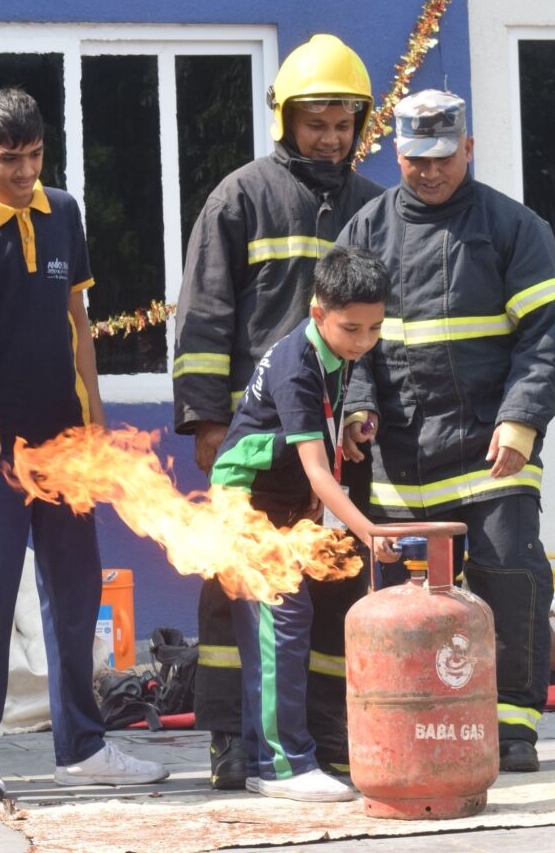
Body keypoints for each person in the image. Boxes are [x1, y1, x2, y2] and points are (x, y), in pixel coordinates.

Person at [339, 89, 555, 773]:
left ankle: (511, 730)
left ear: (467, 149)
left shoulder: (514, 227)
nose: (432, 172)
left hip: (490, 455)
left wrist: (522, 420)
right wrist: (357, 406)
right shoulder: (365, 231)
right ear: (398, 154)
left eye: (444, 157)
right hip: (397, 463)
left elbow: (548, 333)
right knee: (393, 601)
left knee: (511, 577)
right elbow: (343, 340)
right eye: (417, 160)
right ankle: (405, 726)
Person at [173, 34, 385, 788]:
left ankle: (321, 734)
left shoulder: (371, 205)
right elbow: (202, 315)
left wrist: (359, 413)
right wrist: (205, 419)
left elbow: (368, 332)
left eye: (342, 123)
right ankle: (234, 738)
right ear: (286, 120)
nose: (330, 137)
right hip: (254, 442)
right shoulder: (242, 195)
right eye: (316, 122)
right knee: (239, 590)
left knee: (327, 585)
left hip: (328, 441)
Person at [0, 87, 169, 796]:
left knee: (75, 595)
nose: (24, 173)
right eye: (9, 160)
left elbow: (78, 318)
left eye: (35, 156)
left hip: (67, 439)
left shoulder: (64, 211)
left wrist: (97, 418)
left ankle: (82, 745)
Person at [209, 245, 400, 802]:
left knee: (286, 622)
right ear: (318, 313)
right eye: (352, 329)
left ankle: (268, 754)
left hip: (282, 503)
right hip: (248, 504)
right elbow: (318, 474)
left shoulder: (333, 354)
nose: (363, 341)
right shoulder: (297, 365)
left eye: (374, 329)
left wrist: (344, 430)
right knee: (279, 623)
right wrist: (369, 533)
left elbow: (307, 437)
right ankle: (283, 766)